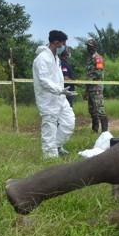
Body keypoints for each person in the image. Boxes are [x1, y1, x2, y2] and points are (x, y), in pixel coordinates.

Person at [33, 30, 77, 159]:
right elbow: (43, 80)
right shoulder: (41, 59)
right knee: (49, 127)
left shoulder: (56, 58)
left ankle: (56, 146)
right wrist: (59, 90)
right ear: (56, 42)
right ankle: (50, 157)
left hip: (60, 97)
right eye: (63, 44)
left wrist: (63, 91)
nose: (64, 47)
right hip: (47, 99)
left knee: (69, 122)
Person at [84, 39, 107, 133]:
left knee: (100, 109)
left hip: (96, 88)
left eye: (90, 46)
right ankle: (95, 130)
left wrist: (90, 79)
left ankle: (105, 132)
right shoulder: (89, 59)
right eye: (87, 46)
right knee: (92, 110)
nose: (88, 48)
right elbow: (87, 75)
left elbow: (99, 73)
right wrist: (86, 90)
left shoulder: (98, 58)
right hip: (90, 88)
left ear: (94, 47)